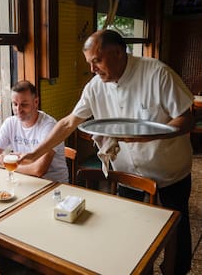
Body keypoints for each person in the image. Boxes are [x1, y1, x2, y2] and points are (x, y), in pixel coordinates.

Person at [20, 29, 194, 275]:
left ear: (118, 53)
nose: (92, 69)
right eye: (89, 63)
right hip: (127, 172)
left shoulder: (157, 73)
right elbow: (69, 122)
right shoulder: (95, 87)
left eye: (96, 61)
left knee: (177, 229)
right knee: (131, 231)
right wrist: (35, 153)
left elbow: (186, 119)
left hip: (169, 171)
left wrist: (148, 135)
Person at [0, 80, 69, 183]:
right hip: (26, 181)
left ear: (36, 102)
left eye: (24, 105)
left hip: (55, 187)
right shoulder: (10, 123)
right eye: (15, 104)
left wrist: (6, 165)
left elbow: (39, 169)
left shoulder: (49, 126)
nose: (18, 109)